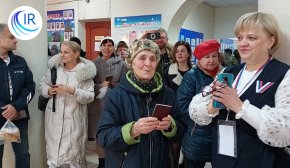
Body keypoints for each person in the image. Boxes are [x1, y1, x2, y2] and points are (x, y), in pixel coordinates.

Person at [189, 12, 290, 168]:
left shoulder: (287, 74)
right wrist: (213, 106)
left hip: (263, 161)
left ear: (270, 41)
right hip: (223, 157)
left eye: (251, 38)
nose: (242, 43)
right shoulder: (227, 72)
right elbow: (194, 109)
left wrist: (239, 106)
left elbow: (288, 132)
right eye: (240, 38)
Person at [97, 39, 181, 168]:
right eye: (142, 58)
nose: (148, 63)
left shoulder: (168, 94)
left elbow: (181, 131)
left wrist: (171, 126)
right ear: (131, 62)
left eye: (153, 59)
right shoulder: (116, 95)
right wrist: (133, 130)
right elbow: (104, 137)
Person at [38, 41, 96, 167]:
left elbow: (90, 96)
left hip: (74, 118)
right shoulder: (54, 69)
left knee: (72, 154)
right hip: (53, 117)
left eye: (66, 52)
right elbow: (42, 84)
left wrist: (72, 90)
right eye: (61, 52)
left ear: (76, 54)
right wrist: (48, 90)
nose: (62, 55)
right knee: (53, 153)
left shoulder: (83, 72)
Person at [177, 39, 222, 168]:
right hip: (197, 138)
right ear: (199, 59)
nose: (211, 60)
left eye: (214, 56)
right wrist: (202, 117)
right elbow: (183, 106)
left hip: (221, 137)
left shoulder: (225, 75)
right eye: (206, 57)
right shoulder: (192, 76)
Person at [87, 38, 128, 168]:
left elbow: (127, 83)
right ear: (100, 48)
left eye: (109, 45)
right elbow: (88, 84)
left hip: (116, 101)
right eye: (104, 45)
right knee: (100, 132)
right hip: (98, 103)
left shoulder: (121, 64)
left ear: (113, 48)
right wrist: (100, 85)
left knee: (115, 130)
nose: (106, 48)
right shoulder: (92, 64)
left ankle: (115, 161)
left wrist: (115, 85)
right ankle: (101, 161)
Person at [0, 23, 35, 168]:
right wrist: (4, 110)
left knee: (22, 155)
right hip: (1, 117)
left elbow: (30, 87)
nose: (16, 40)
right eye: (11, 37)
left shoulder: (20, 62)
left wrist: (16, 107)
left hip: (18, 117)